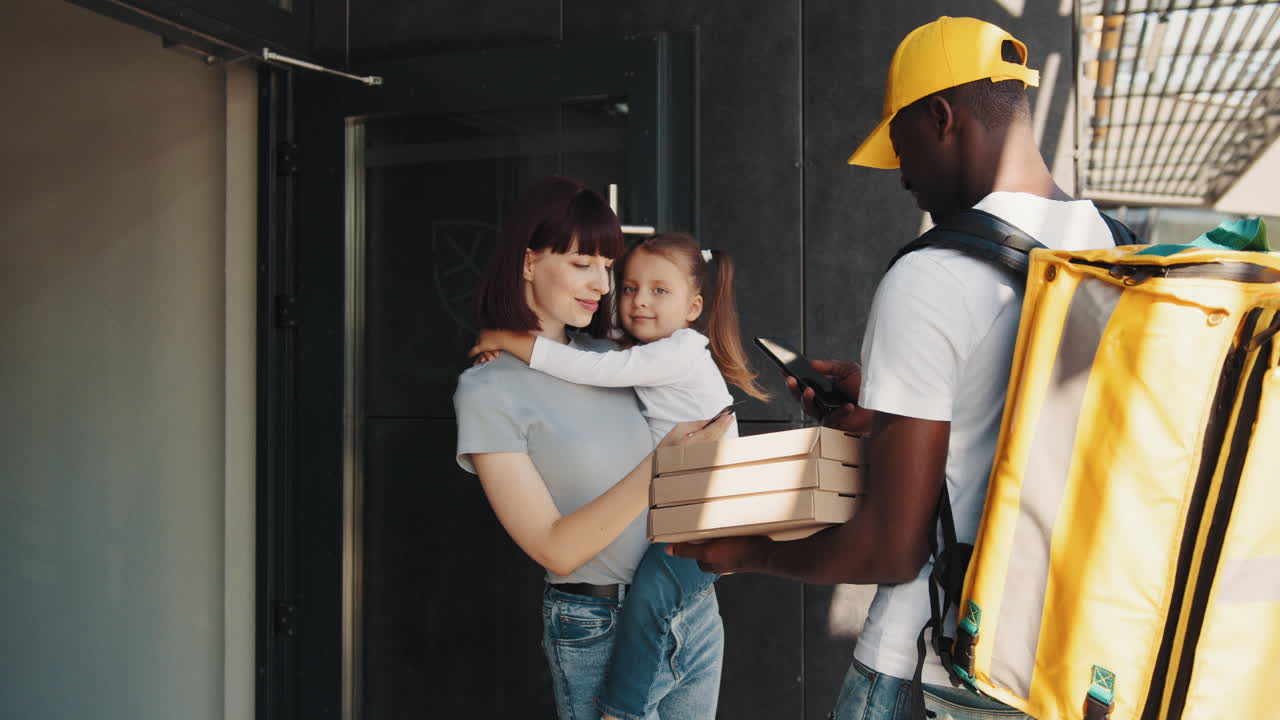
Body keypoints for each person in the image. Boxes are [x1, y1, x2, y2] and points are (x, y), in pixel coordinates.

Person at [667, 16, 1120, 720]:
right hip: (1064, 662)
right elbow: (1023, 430)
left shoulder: (934, 275)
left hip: (935, 666)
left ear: (941, 117)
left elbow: (891, 549)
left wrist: (749, 550)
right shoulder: (1111, 249)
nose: (901, 175)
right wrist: (880, 411)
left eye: (900, 143)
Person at [453, 177, 734, 720]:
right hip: (598, 624)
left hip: (690, 607)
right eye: (585, 264)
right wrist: (664, 464)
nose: (604, 287)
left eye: (609, 267)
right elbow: (555, 549)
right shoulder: (487, 389)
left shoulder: (618, 357)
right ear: (529, 262)